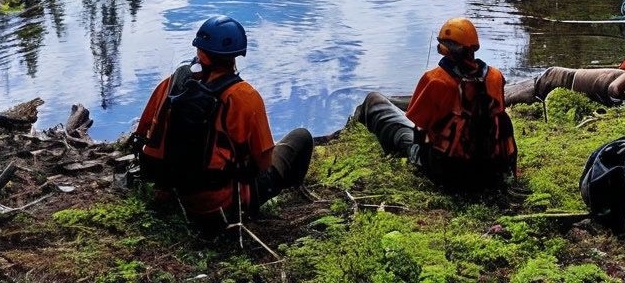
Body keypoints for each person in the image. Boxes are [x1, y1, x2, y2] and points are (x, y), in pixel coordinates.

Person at [134, 14, 313, 234]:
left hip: (170, 191)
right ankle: (283, 199)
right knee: (301, 137)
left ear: (200, 52)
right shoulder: (244, 96)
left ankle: (172, 198)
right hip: (218, 206)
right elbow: (264, 164)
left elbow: (142, 132)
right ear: (237, 55)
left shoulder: (173, 83)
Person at [354, 17, 517, 190]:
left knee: (375, 102)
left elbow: (418, 128)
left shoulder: (435, 79)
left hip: (447, 173)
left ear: (445, 49)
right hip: (492, 172)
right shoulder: (496, 77)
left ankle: (361, 119)